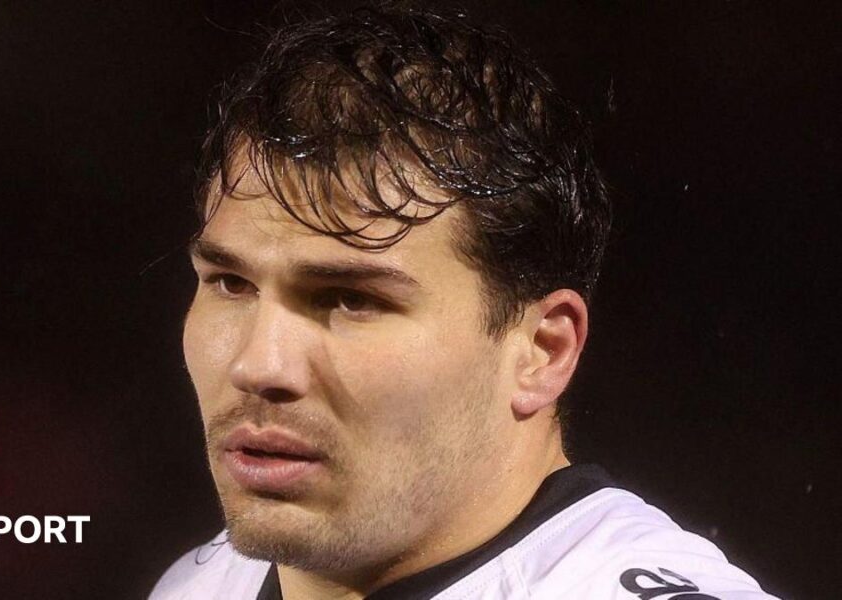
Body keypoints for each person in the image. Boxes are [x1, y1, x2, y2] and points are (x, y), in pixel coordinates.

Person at [150, 4, 777, 599]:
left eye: (349, 299)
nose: (259, 366)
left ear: (542, 350)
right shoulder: (199, 584)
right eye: (232, 285)